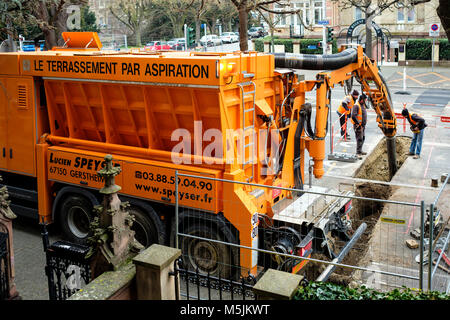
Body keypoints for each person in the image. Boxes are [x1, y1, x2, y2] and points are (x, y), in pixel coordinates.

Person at [351, 93, 368, 158]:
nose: (365, 102)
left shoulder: (362, 105)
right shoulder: (356, 106)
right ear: (361, 100)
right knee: (359, 138)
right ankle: (358, 153)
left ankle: (360, 150)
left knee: (363, 138)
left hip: (362, 126)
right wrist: (358, 124)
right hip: (358, 126)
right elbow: (353, 116)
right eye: (365, 100)